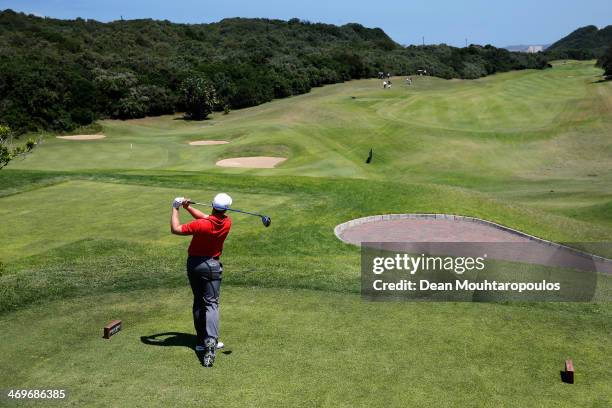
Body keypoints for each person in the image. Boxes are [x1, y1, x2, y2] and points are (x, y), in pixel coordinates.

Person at [170, 193, 233, 367]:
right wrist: (188, 207)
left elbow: (176, 229)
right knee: (211, 304)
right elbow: (207, 218)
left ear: (212, 204)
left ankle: (200, 342)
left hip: (194, 265)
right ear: (226, 209)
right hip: (212, 266)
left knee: (198, 301)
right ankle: (211, 341)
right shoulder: (227, 222)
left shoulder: (201, 225)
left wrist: (175, 208)